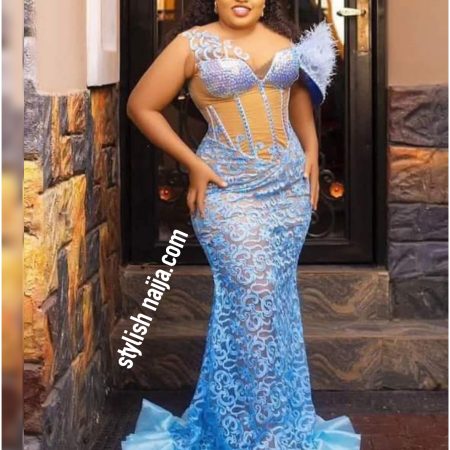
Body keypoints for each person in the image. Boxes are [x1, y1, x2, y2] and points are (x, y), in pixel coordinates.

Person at [123, 0, 361, 448]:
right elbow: (141, 106)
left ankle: (268, 421)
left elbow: (297, 98)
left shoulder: (283, 40)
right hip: (227, 188)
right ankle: (260, 435)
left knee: (274, 305)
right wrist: (193, 164)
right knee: (256, 293)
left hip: (287, 189)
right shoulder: (190, 44)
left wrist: (311, 150)